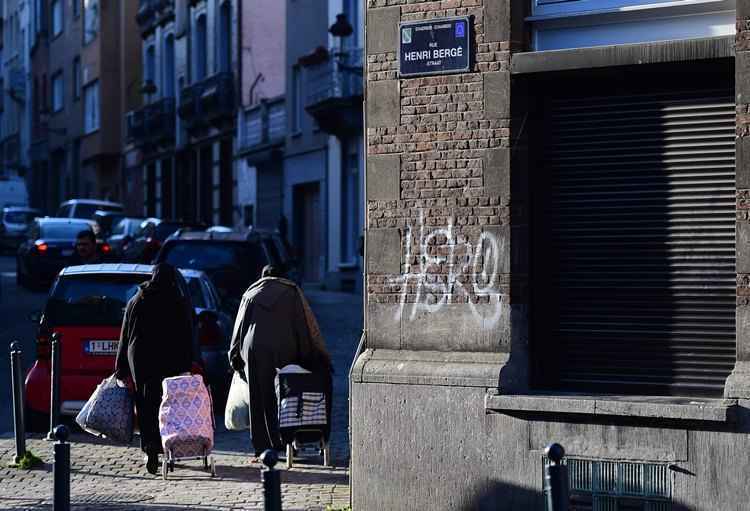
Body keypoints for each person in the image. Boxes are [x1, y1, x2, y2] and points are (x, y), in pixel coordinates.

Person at [228, 265, 332, 458]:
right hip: (285, 347)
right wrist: (307, 354)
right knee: (285, 393)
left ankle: (261, 446)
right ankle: (284, 440)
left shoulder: (250, 293)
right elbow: (303, 324)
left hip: (254, 348)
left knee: (258, 395)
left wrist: (234, 354)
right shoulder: (291, 292)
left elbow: (238, 326)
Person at [114, 263, 196, 474]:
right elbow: (187, 334)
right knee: (169, 403)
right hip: (170, 359)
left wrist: (120, 366)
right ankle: (167, 445)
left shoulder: (138, 299)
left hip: (142, 359)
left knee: (145, 402)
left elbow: (125, 333)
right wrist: (189, 363)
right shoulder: (177, 301)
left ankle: (150, 447)